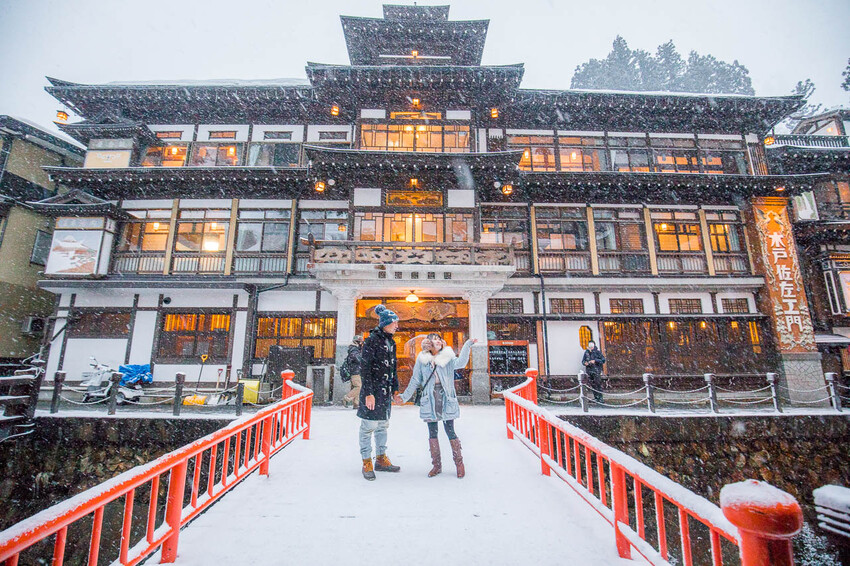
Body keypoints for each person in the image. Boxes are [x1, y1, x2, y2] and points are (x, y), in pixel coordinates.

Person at [398, 333, 476, 478]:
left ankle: (459, 464)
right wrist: (404, 397)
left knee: (450, 430)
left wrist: (467, 345)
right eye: (434, 339)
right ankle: (436, 465)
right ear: (428, 343)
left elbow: (462, 363)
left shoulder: (448, 357)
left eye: (439, 339)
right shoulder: (422, 360)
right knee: (432, 432)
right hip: (430, 398)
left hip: (446, 397)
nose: (438, 341)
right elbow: (415, 380)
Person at [357, 305, 401, 481]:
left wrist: (395, 389)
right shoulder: (372, 340)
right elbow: (365, 368)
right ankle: (366, 460)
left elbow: (393, 368)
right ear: (386, 323)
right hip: (373, 391)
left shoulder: (391, 342)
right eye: (395, 323)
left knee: (383, 425)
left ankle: (381, 458)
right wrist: (368, 392)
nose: (397, 326)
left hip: (385, 391)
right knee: (368, 427)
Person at [341, 335, 364, 409]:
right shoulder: (354, 349)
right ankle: (346, 398)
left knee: (357, 386)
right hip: (355, 371)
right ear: (357, 341)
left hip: (356, 371)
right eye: (360, 341)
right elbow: (357, 358)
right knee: (358, 386)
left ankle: (356, 404)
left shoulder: (355, 349)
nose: (361, 343)